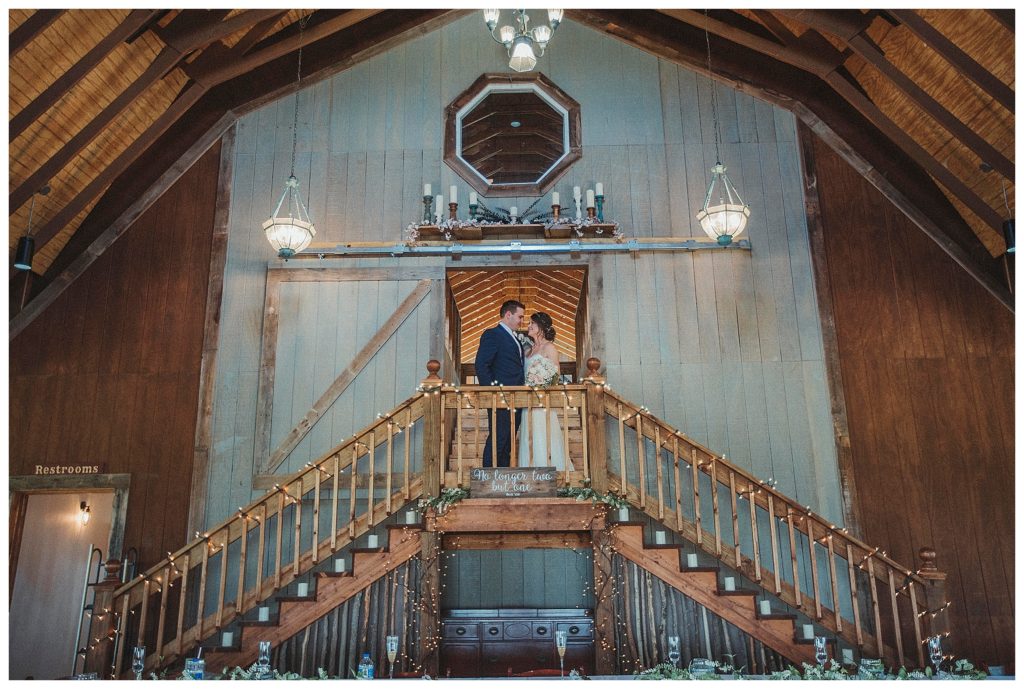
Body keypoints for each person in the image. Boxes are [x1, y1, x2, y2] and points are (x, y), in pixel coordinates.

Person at [474, 299, 526, 467]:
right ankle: (487, 477)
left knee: (508, 442)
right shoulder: (492, 334)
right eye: (520, 317)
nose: (522, 321)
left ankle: (502, 478)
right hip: (500, 398)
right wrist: (493, 393)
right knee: (498, 439)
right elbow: (481, 365)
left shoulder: (516, 338)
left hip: (516, 398)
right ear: (508, 315)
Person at [518, 312, 567, 471]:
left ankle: (549, 473)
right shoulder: (528, 349)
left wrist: (540, 381)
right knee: (529, 438)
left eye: (532, 323)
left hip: (542, 403)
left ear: (541, 326)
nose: (528, 326)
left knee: (543, 437)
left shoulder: (550, 347)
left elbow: (555, 375)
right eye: (529, 323)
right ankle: (529, 473)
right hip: (527, 403)